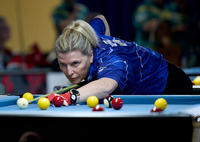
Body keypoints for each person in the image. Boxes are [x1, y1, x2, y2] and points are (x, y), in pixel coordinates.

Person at [50, 15, 192, 105]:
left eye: (75, 63)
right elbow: (101, 19)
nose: (69, 72)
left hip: (171, 85)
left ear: (91, 55)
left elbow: (105, 86)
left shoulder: (112, 62)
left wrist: (69, 97)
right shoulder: (89, 36)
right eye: (63, 64)